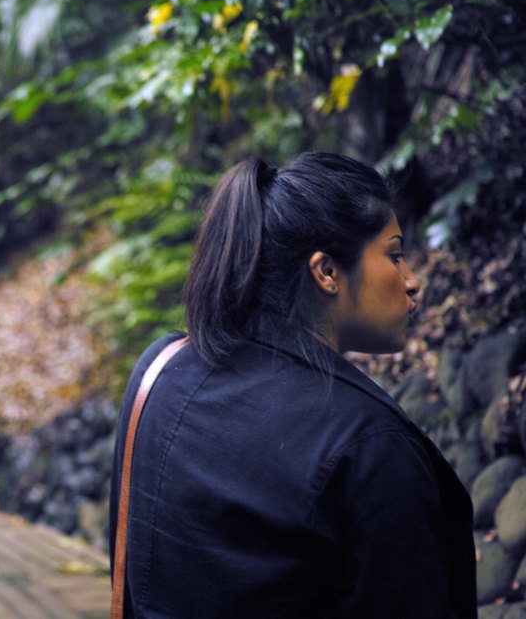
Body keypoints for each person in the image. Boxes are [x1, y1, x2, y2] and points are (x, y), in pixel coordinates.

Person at [109, 153, 477, 618]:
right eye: (395, 254)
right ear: (326, 272)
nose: (412, 281)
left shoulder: (160, 371)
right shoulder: (369, 448)